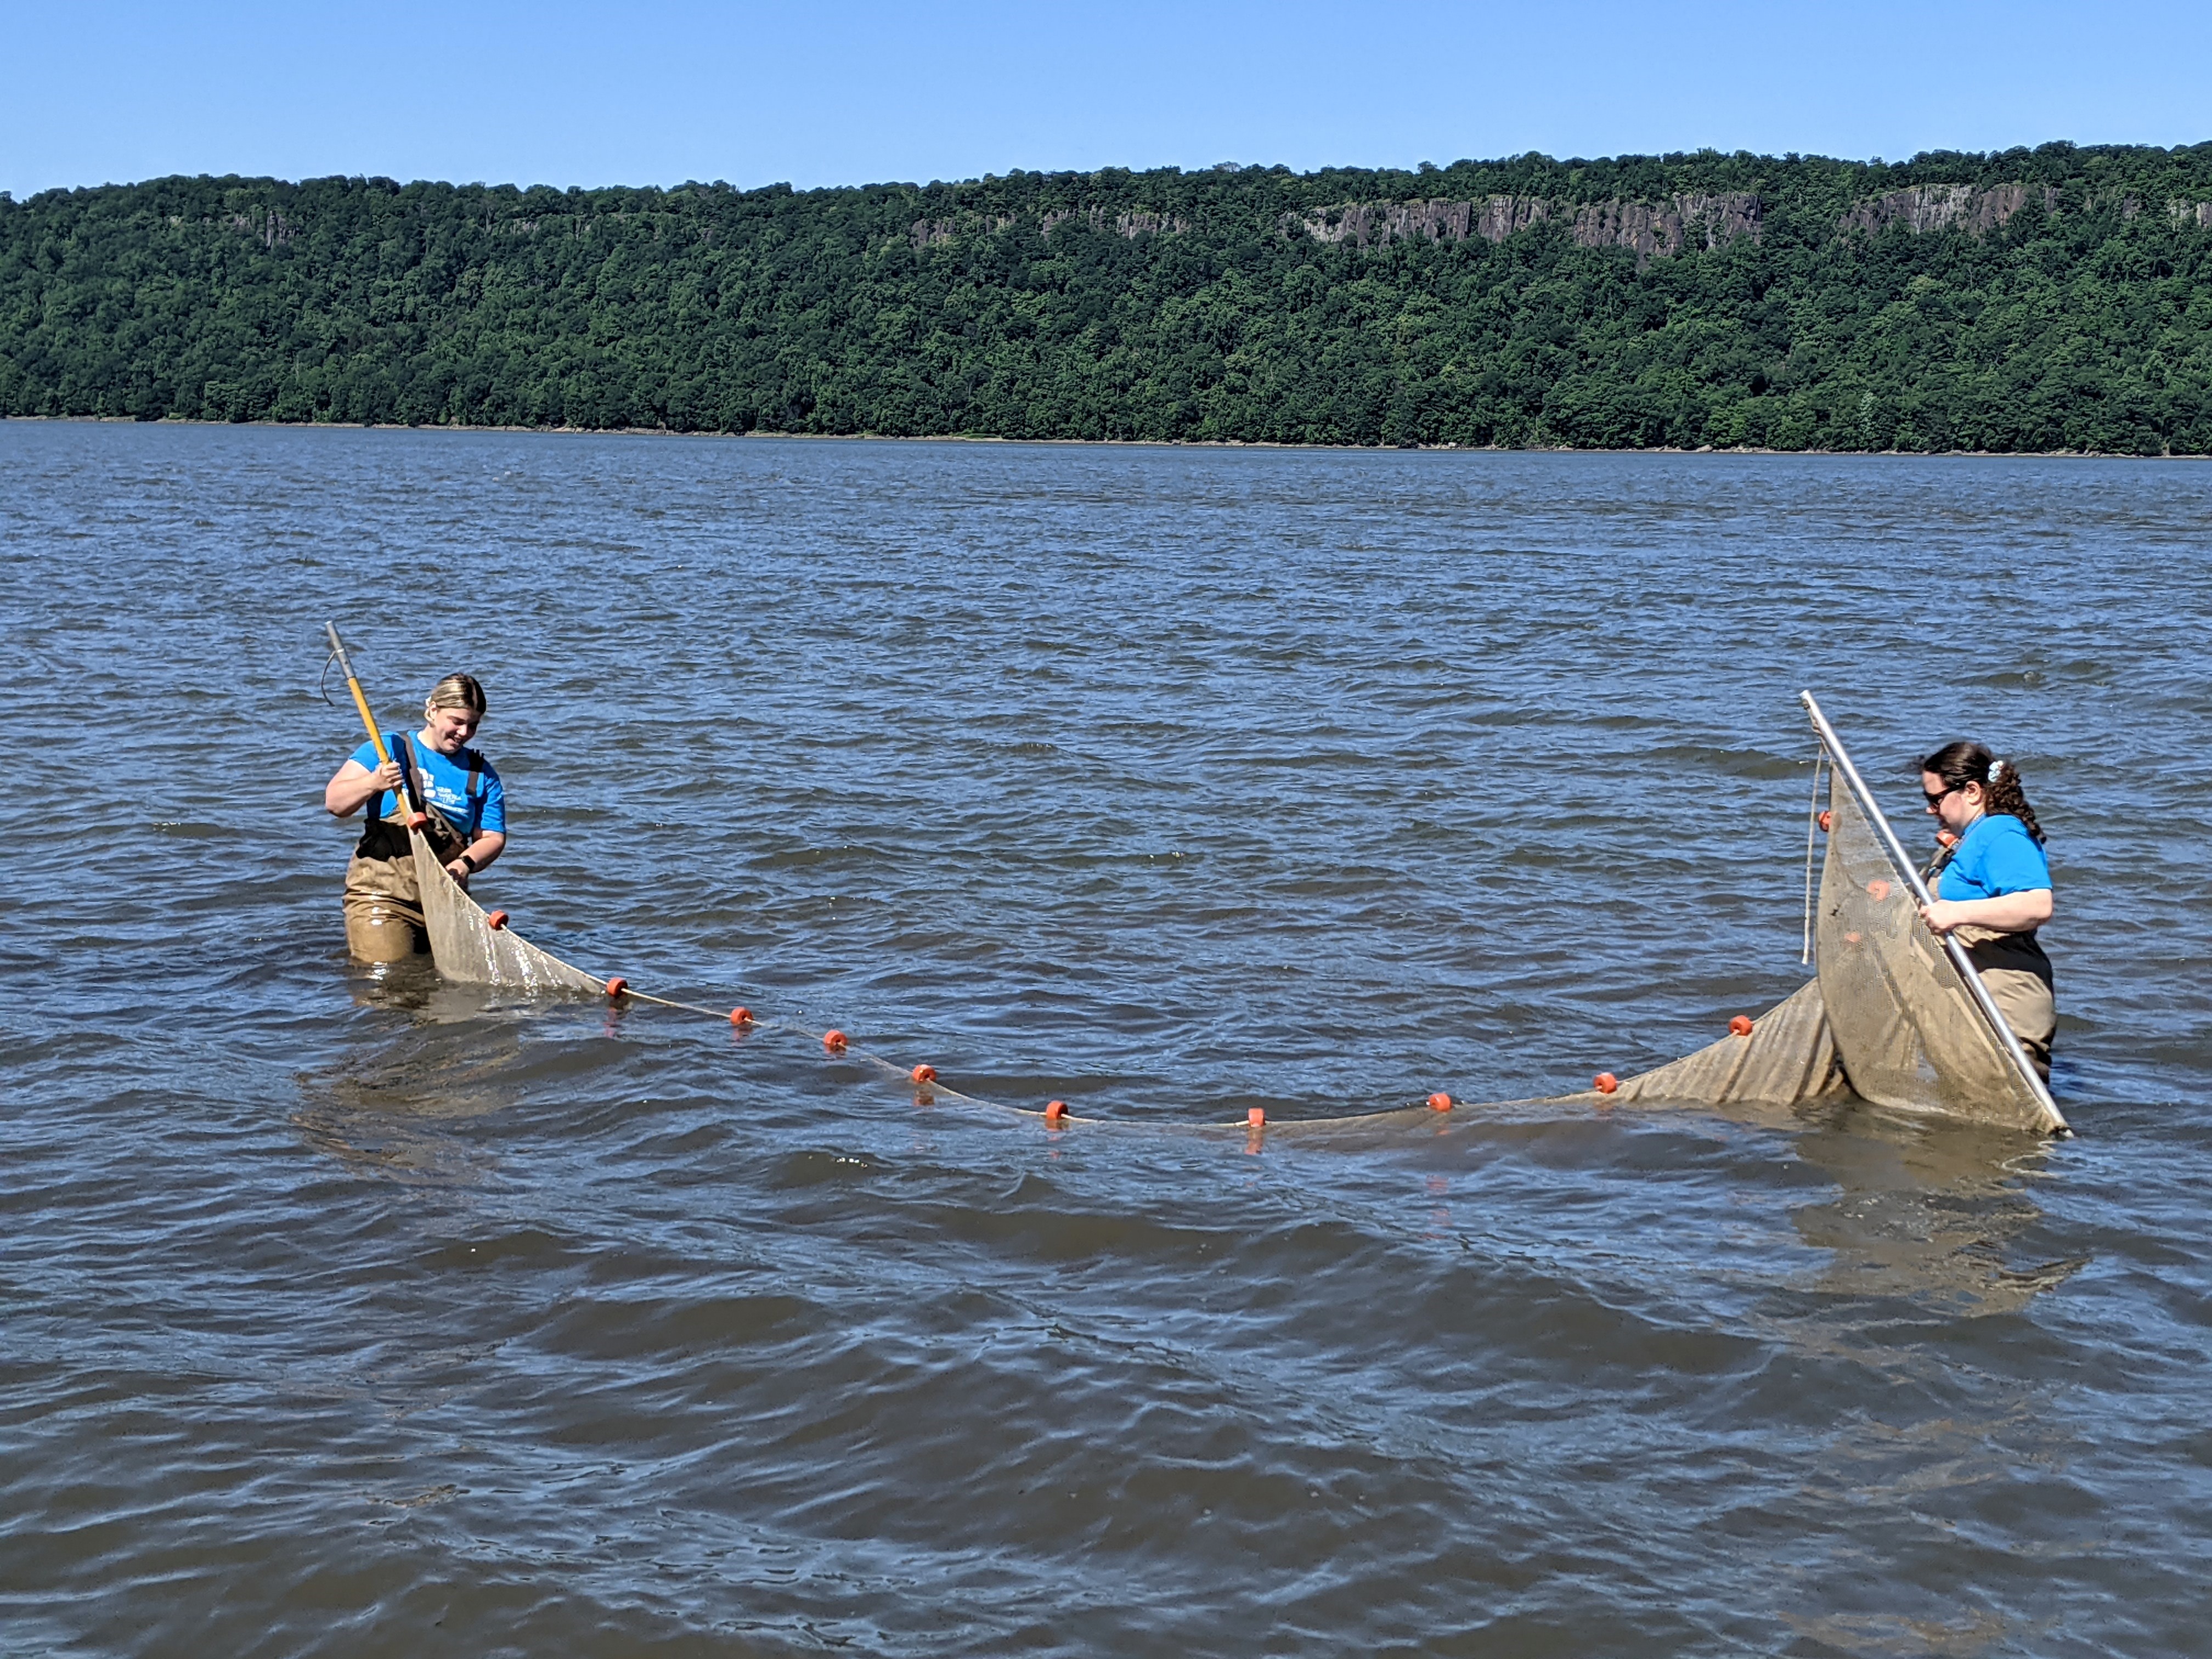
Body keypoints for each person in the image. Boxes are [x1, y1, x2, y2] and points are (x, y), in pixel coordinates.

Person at [324, 673, 506, 963]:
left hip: (445, 902)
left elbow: (492, 837)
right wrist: (374, 783)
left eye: (473, 725)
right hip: (383, 897)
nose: (464, 732)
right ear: (432, 710)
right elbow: (335, 802)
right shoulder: (388, 749)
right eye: (457, 722)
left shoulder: (481, 773)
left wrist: (464, 864)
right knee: (390, 978)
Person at [1915, 741, 2055, 1080]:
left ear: (1972, 791)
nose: (1930, 811)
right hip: (1974, 1003)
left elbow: (2037, 904)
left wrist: (1957, 914)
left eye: (1935, 799)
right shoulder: (1971, 838)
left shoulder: (2001, 832)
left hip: (2005, 1009)